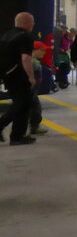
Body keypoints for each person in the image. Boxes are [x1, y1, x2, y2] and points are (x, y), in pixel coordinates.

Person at [0, 11, 39, 145]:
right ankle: (15, 135)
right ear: (26, 23)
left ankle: (17, 136)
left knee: (21, 103)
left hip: (7, 75)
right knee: (22, 104)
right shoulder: (25, 37)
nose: (34, 24)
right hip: (19, 76)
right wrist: (31, 77)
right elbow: (26, 58)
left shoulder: (7, 34)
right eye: (32, 21)